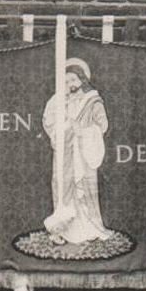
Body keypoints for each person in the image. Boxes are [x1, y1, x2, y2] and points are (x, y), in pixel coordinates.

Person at [42, 57, 113, 245]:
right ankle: (63, 230)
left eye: (73, 80)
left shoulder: (93, 101)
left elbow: (103, 125)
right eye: (66, 81)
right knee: (62, 186)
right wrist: (62, 129)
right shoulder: (59, 101)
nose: (70, 84)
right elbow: (49, 122)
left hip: (83, 153)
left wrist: (84, 132)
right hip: (65, 153)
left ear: (82, 79)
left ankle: (89, 228)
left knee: (84, 190)